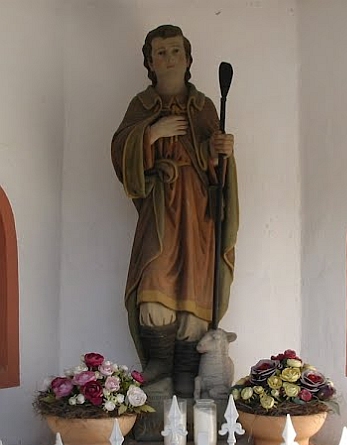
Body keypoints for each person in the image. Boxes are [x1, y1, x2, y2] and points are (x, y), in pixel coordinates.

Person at [111, 25, 239, 398]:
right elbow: (120, 151)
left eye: (175, 51)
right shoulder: (142, 106)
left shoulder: (204, 107)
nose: (169, 58)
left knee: (195, 285)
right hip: (160, 206)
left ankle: (185, 375)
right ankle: (158, 366)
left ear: (187, 58)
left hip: (198, 212)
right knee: (154, 277)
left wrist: (219, 150)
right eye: (161, 52)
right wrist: (152, 133)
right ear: (150, 62)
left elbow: (215, 167)